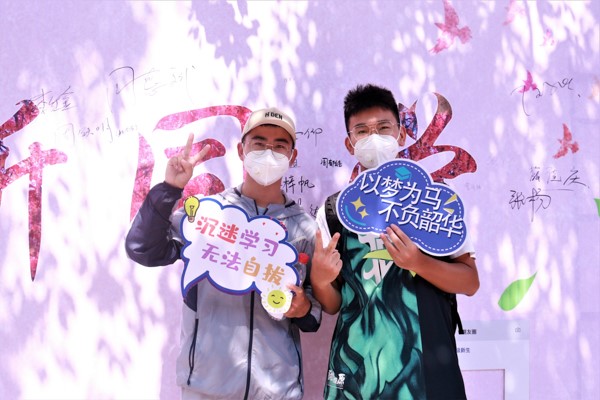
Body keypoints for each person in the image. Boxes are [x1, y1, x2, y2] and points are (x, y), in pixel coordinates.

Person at [125, 107, 322, 400]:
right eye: (259, 144)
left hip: (277, 389)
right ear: (242, 151)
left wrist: (303, 307)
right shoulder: (207, 215)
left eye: (279, 146)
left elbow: (314, 314)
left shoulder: (305, 228)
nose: (269, 153)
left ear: (292, 157)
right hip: (206, 386)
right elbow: (143, 248)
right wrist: (169, 189)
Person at [310, 84, 479, 400]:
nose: (373, 137)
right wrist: (320, 281)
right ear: (349, 144)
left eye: (383, 128)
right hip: (356, 370)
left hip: (426, 369)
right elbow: (334, 304)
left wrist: (418, 263)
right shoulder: (334, 211)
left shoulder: (435, 201)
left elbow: (470, 282)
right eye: (362, 131)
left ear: (401, 135)